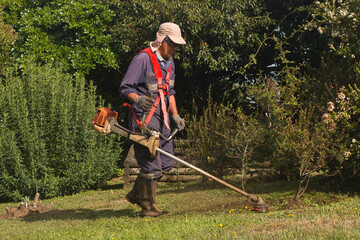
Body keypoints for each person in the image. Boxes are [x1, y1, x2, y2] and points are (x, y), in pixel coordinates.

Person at [119, 22, 186, 217]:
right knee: (151, 162)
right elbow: (124, 88)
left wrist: (175, 114)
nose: (175, 49)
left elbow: (169, 91)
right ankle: (148, 207)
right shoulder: (142, 59)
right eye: (172, 44)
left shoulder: (170, 63)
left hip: (163, 118)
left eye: (177, 46)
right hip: (144, 119)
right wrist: (137, 98)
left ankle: (135, 193)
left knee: (166, 163)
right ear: (162, 41)